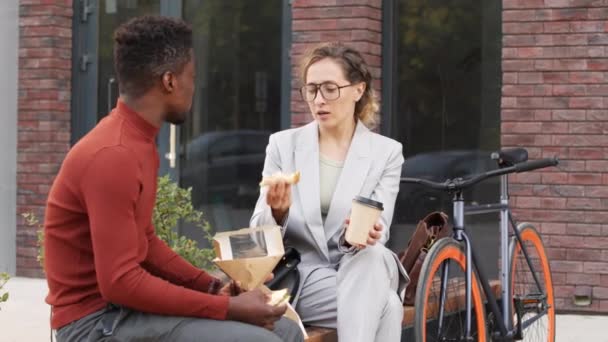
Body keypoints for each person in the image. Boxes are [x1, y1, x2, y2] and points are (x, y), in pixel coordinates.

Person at [43, 16, 302, 342]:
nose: (194, 86)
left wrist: (212, 286)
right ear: (169, 81)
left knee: (287, 330)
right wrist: (227, 308)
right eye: (191, 76)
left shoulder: (138, 143)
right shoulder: (113, 154)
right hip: (95, 325)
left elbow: (145, 243)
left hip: (122, 313)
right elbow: (120, 282)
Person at [250, 42, 409, 342]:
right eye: (311, 90)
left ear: (358, 90)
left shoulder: (387, 153)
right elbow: (258, 236)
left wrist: (362, 233)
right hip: (304, 276)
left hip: (362, 263)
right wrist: (278, 212)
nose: (319, 100)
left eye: (329, 89)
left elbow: (380, 228)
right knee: (388, 305)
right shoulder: (284, 146)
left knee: (372, 256)